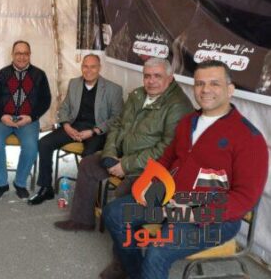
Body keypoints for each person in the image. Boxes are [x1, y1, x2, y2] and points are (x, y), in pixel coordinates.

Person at [101, 60, 269, 279]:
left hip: (214, 217)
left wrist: (193, 214)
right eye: (200, 83)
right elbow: (167, 158)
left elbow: (245, 198)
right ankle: (136, 273)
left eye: (214, 83)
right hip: (171, 199)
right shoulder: (188, 122)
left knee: (157, 252)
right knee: (114, 214)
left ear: (230, 89)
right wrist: (151, 183)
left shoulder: (249, 138)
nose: (205, 89)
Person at [54, 58, 193, 231]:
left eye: (157, 76)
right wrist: (110, 154)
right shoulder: (138, 94)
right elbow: (117, 124)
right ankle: (82, 221)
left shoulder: (178, 106)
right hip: (121, 155)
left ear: (170, 78)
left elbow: (166, 149)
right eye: (147, 76)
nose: (151, 81)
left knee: (124, 195)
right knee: (88, 164)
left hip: (148, 167)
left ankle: (124, 243)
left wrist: (125, 165)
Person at [28, 54, 123, 205]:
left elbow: (117, 118)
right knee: (44, 143)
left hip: (97, 131)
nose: (88, 70)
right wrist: (66, 125)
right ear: (81, 67)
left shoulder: (114, 89)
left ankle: (88, 196)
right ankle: (46, 188)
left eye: (93, 67)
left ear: (100, 68)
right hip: (74, 126)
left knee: (88, 155)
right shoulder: (74, 83)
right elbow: (64, 108)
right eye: (85, 66)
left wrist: (94, 131)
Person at [0, 40, 51, 201]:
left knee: (31, 146)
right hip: (3, 118)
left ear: (30, 55)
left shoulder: (39, 75)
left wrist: (32, 117)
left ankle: (20, 183)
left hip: (28, 120)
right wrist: (2, 116)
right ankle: (1, 184)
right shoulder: (2, 74)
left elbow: (45, 100)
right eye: (18, 53)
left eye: (25, 53)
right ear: (12, 55)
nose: (21, 57)